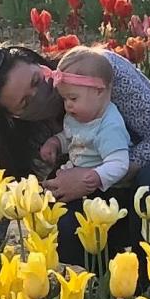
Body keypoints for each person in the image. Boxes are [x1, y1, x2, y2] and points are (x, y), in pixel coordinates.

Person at [0, 43, 150, 277]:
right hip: (108, 207)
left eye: (37, 81)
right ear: (11, 116)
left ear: (38, 62)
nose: (42, 95)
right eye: (26, 103)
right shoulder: (22, 138)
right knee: (56, 224)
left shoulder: (98, 72)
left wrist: (93, 177)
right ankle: (112, 280)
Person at [39, 46, 131, 191]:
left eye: (73, 98)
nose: (68, 105)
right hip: (75, 173)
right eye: (64, 99)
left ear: (99, 91)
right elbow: (73, 137)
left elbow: (119, 162)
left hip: (101, 188)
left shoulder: (109, 126)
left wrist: (98, 176)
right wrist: (56, 142)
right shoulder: (77, 117)